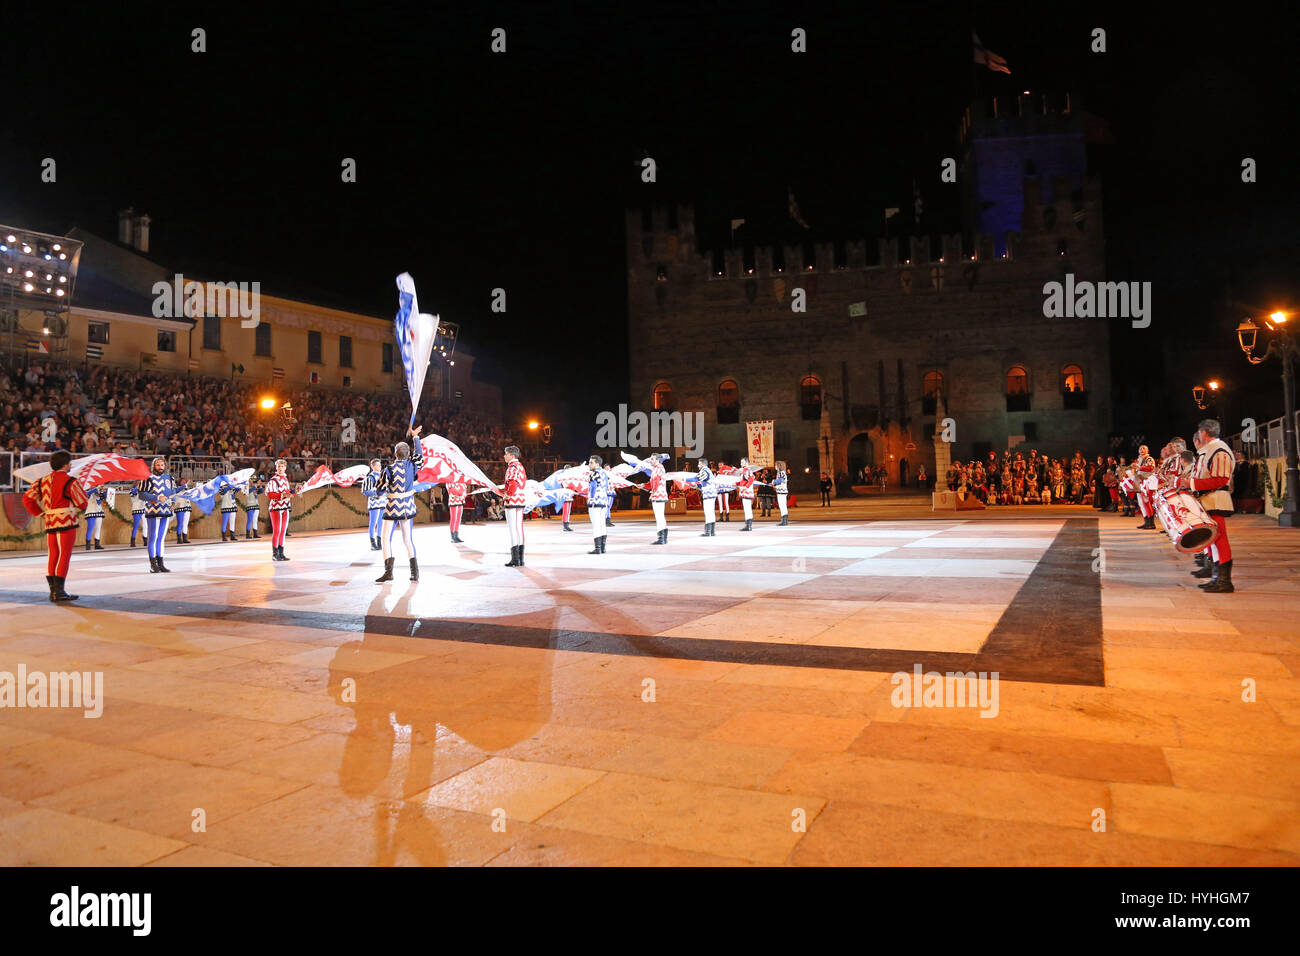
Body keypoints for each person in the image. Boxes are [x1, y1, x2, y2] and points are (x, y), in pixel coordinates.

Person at [23, 450, 88, 602]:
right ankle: (59, 592)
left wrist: (41, 513)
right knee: (64, 555)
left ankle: (53, 591)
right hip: (66, 520)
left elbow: (27, 499)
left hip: (50, 520)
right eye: (69, 463)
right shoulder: (70, 481)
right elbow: (82, 503)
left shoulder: (41, 481)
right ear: (65, 465)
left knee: (53, 554)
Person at [1184, 419, 1236, 593]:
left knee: (1219, 539)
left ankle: (1224, 580)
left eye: (1199, 432)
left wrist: (1189, 483)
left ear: (1204, 433)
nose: (1199, 435)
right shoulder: (1211, 450)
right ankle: (1217, 577)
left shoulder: (1219, 450)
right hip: (1209, 499)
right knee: (1212, 540)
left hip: (1216, 499)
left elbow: (1220, 479)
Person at [376, 427, 425, 580]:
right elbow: (419, 456)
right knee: (407, 539)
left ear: (395, 454)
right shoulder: (412, 466)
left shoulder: (388, 469)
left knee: (385, 538)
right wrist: (416, 438)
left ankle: (389, 572)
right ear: (408, 454)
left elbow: (379, 491)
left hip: (392, 508)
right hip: (408, 507)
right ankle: (414, 573)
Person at [136, 456, 176, 573]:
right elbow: (142, 494)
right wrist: (157, 497)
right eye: (158, 465)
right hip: (152, 510)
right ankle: (153, 565)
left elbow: (172, 492)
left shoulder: (169, 478)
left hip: (166, 510)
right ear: (153, 466)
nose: (160, 467)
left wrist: (173, 503)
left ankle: (161, 563)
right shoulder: (147, 478)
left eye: (162, 465)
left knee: (161, 538)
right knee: (152, 537)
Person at [501, 444, 527, 567]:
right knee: (519, 528)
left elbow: (512, 483)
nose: (504, 456)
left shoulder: (511, 467)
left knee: (512, 528)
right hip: (521, 499)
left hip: (512, 500)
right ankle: (520, 558)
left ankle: (515, 559)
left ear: (511, 455)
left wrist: (507, 495)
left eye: (506, 454)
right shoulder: (520, 466)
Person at [266, 458, 294, 562]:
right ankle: (275, 554)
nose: (280, 468)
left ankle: (281, 553)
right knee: (277, 530)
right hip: (276, 507)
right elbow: (270, 494)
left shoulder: (285, 479)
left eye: (282, 466)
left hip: (285, 506)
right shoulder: (274, 480)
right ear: (276, 467)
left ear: (285, 468)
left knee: (283, 530)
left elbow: (287, 492)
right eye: (278, 466)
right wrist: (283, 495)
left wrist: (294, 491)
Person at [586, 454, 612, 554]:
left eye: (591, 462)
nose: (589, 464)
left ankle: (597, 548)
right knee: (602, 524)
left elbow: (593, 485)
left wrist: (591, 497)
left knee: (596, 525)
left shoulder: (594, 473)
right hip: (603, 501)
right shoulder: (604, 473)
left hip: (595, 502)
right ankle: (603, 547)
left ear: (597, 464)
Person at [361, 458, 386, 550]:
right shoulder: (370, 478)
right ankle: (372, 543)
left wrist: (384, 494)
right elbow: (365, 491)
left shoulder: (383, 476)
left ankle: (379, 542)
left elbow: (386, 489)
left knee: (380, 523)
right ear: (372, 466)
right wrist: (377, 493)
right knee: (373, 523)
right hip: (374, 503)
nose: (379, 467)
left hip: (383, 502)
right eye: (377, 465)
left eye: (380, 465)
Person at [647, 452, 670, 545]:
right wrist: (644, 485)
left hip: (658, 495)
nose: (650, 460)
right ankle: (663, 537)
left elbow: (656, 481)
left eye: (652, 459)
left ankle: (662, 538)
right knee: (660, 517)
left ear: (657, 460)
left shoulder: (658, 468)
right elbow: (652, 482)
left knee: (659, 517)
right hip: (659, 494)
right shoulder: (656, 469)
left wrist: (653, 491)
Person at [83, 485, 107, 551]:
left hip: (99, 511)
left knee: (98, 528)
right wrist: (95, 489)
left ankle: (97, 544)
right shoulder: (86, 489)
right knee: (90, 529)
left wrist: (105, 491)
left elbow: (103, 498)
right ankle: (88, 545)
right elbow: (86, 494)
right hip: (91, 511)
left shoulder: (98, 490)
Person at [697, 458, 717, 536]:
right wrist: (697, 486)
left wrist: (684, 479)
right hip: (711, 494)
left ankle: (708, 532)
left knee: (708, 512)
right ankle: (711, 531)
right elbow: (704, 484)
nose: (698, 465)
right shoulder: (708, 471)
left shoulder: (704, 471)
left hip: (709, 495)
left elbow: (696, 478)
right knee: (711, 512)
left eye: (699, 464)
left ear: (702, 464)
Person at [736, 457, 756, 531]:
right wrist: (736, 484)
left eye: (742, 462)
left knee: (747, 509)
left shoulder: (747, 470)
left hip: (746, 492)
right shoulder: (745, 470)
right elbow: (744, 480)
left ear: (746, 462)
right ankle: (748, 525)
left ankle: (748, 526)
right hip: (745, 491)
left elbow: (751, 479)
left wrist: (745, 487)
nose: (741, 464)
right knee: (747, 508)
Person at [446, 479, 467, 543]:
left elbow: (465, 489)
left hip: (460, 500)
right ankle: (452, 536)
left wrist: (463, 494)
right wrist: (459, 492)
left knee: (458, 518)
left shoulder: (462, 480)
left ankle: (456, 535)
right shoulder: (449, 480)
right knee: (453, 518)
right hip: (453, 500)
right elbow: (451, 490)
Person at [773, 460, 789, 526]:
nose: (775, 466)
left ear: (779, 466)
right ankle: (784, 520)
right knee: (782, 505)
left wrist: (774, 482)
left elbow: (781, 480)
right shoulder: (781, 472)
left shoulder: (781, 473)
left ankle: (784, 521)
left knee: (782, 505)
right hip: (781, 490)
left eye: (776, 465)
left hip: (781, 491)